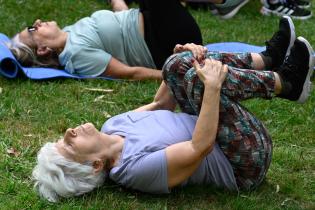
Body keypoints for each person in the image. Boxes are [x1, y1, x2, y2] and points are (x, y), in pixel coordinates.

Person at [31, 16, 315, 202]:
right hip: (244, 161)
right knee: (200, 79)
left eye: (61, 138)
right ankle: (286, 83)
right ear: (94, 165)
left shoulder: (112, 127)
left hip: (223, 135)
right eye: (69, 146)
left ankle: (267, 59)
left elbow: (162, 104)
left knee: (177, 66)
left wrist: (182, 57)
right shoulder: (132, 170)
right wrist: (212, 87)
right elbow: (199, 148)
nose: (68, 132)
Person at [6, 0, 202, 80]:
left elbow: (121, 26)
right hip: (168, 40)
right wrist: (171, 74)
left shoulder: (69, 33)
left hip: (152, 20)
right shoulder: (76, 54)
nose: (38, 22)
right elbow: (128, 73)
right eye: (32, 29)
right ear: (42, 49)